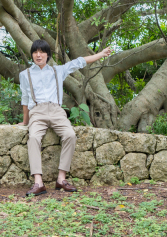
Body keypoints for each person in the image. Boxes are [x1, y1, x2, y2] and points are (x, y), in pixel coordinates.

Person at [18, 40, 112, 196]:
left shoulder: (58, 70)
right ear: (32, 55)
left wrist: (101, 54)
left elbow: (80, 62)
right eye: (35, 52)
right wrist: (25, 121)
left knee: (70, 135)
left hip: (56, 111)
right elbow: (25, 98)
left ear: (47, 55)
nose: (38, 55)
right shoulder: (25, 74)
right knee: (33, 137)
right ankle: (38, 182)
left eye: (42, 52)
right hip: (37, 111)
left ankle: (61, 179)